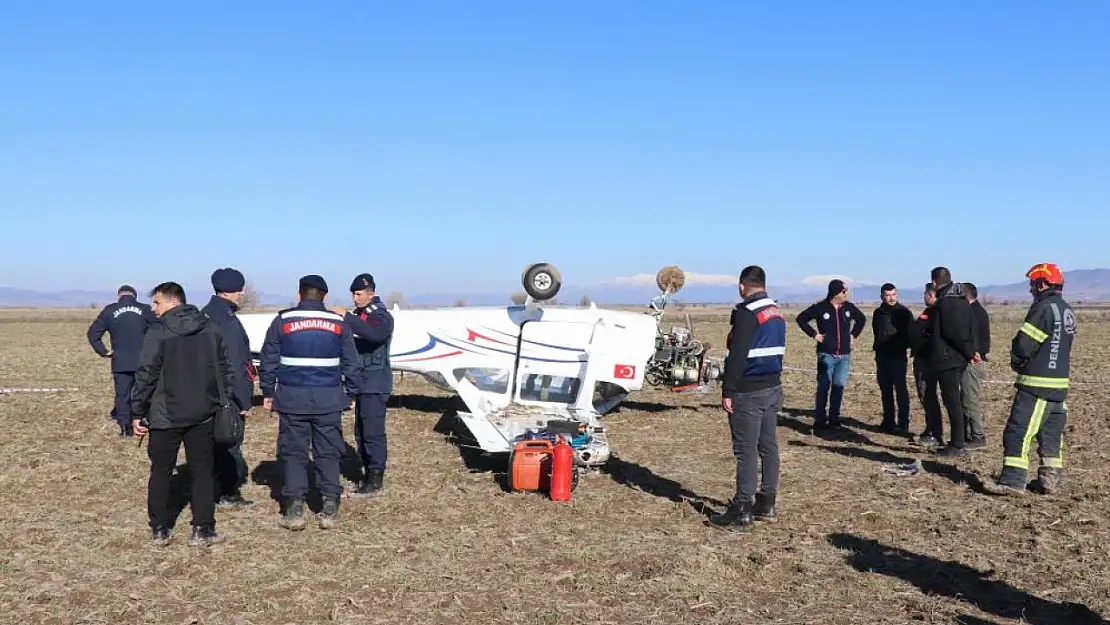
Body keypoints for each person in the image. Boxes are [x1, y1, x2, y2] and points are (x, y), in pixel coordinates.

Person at [131, 282, 230, 547]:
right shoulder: (210, 328)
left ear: (173, 302)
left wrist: (136, 411)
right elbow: (224, 370)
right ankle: (203, 529)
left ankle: (160, 529)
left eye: (157, 303)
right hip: (203, 413)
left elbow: (145, 375)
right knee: (202, 471)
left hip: (165, 415)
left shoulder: (158, 333)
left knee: (161, 472)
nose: (153, 309)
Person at [259, 275, 361, 530]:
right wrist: (351, 394)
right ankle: (329, 505)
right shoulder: (338, 323)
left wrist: (268, 391)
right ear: (324, 297)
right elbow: (352, 362)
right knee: (328, 450)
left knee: (294, 452)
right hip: (328, 398)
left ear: (299, 295)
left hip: (292, 398)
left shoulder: (283, 320)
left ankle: (294, 509)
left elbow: (268, 359)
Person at [984, 264, 1076, 495]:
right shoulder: (1066, 310)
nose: (1031, 290)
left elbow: (1024, 345)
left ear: (1043, 284)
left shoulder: (1043, 309)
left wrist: (1017, 360)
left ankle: (1012, 481)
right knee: (1051, 436)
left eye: (1033, 285)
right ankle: (1049, 480)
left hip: (1037, 384)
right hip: (1059, 386)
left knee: (1017, 432)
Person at [709, 265, 786, 530]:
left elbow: (738, 354)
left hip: (748, 391)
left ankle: (743, 507)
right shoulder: (775, 311)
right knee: (769, 446)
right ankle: (767, 501)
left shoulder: (746, 313)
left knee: (746, 450)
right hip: (773, 387)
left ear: (742, 286)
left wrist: (727, 390)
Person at [333, 273, 394, 496]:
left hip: (375, 383)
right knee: (361, 431)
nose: (355, 298)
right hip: (362, 382)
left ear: (371, 293)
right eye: (353, 294)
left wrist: (347, 317)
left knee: (373, 432)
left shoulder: (380, 316)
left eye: (358, 294)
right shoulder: (361, 316)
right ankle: (367, 472)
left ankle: (375, 477)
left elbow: (374, 334)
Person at [201, 267, 255, 509]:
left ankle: (209, 486)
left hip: (205, 391)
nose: (242, 294)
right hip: (227, 395)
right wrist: (244, 400)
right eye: (239, 289)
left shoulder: (204, 315)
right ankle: (227, 493)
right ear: (230, 291)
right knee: (229, 441)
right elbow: (235, 362)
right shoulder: (227, 321)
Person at [795, 279, 866, 431]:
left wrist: (854, 335)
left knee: (838, 387)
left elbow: (861, 319)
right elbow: (801, 319)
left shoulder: (848, 307)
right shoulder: (820, 308)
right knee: (823, 388)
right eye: (844, 291)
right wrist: (815, 335)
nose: (846, 294)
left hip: (844, 356)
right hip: (826, 355)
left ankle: (834, 419)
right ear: (836, 292)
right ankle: (820, 420)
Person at [86, 285, 155, 436]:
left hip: (120, 361)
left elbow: (93, 333)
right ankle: (143, 422)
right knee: (144, 392)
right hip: (144, 361)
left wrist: (103, 351)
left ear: (119, 296)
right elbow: (159, 330)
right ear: (134, 296)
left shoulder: (109, 311)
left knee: (122, 395)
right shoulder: (145, 309)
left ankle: (125, 427)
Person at [927, 267, 980, 458]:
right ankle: (958, 441)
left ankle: (957, 444)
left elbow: (953, 331)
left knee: (952, 402)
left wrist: (969, 351)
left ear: (934, 283)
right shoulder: (962, 300)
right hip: (958, 358)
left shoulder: (947, 303)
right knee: (955, 400)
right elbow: (971, 327)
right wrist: (971, 350)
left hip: (948, 359)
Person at [872, 283, 914, 435]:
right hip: (882, 357)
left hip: (898, 357)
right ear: (882, 296)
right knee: (886, 390)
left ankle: (903, 424)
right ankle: (888, 421)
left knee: (901, 390)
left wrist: (900, 345)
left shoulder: (904, 312)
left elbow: (911, 334)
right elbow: (876, 331)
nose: (891, 298)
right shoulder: (878, 313)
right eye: (888, 295)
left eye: (893, 295)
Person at [909, 284, 944, 447]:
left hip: (929, 362)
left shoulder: (937, 313)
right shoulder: (928, 312)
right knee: (925, 396)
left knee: (929, 396)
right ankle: (930, 429)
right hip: (922, 360)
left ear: (930, 296)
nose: (924, 297)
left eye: (925, 294)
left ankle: (934, 434)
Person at [962, 282, 991, 449]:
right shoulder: (974, 311)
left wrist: (975, 352)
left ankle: (978, 436)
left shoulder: (975, 313)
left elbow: (977, 340)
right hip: (972, 360)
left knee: (970, 400)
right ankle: (967, 435)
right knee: (965, 399)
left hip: (974, 362)